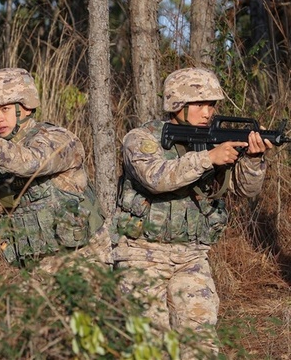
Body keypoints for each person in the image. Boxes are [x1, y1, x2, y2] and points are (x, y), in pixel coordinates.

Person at [112, 67, 273, 358]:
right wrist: (208, 158)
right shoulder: (141, 138)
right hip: (141, 254)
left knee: (200, 344)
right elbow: (156, 177)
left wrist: (253, 159)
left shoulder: (213, 140)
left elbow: (245, 190)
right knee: (149, 347)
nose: (207, 111)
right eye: (199, 103)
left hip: (191, 256)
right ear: (176, 104)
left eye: (211, 104)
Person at [0, 67, 112, 272]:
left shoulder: (57, 138)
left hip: (84, 259)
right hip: (37, 267)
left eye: (5, 109)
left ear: (26, 107)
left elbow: (29, 163)